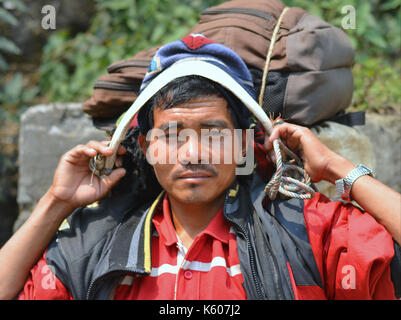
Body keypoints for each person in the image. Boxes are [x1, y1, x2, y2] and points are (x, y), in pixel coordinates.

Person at [0, 34, 400, 300]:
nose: (193, 152)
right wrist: (57, 202)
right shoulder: (95, 246)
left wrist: (334, 166)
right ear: (146, 146)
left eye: (213, 133)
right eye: (171, 134)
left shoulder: (306, 231)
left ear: (244, 143)